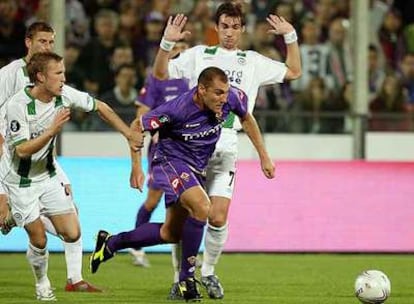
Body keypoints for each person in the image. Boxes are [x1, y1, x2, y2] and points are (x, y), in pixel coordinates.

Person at [152, 2, 301, 299]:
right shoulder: (198, 55)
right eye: (224, 26)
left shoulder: (253, 61)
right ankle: (181, 278)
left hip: (226, 145)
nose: (230, 33)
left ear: (242, 29)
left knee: (217, 217)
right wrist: (167, 42)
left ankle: (207, 271)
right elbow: (160, 73)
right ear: (216, 28)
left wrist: (291, 36)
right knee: (184, 217)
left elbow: (294, 72)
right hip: (189, 147)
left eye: (235, 27)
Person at [89, 66, 275, 302]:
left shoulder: (233, 98)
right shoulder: (176, 110)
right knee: (202, 208)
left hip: (197, 168)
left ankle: (111, 243)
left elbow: (247, 118)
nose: (223, 98)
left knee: (171, 233)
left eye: (225, 92)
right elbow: (138, 126)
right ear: (201, 89)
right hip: (169, 162)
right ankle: (186, 280)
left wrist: (264, 155)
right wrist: (136, 167)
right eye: (218, 93)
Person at [0, 51, 141, 301]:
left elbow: (101, 107)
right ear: (41, 77)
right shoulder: (16, 106)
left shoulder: (64, 95)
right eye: (59, 73)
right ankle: (42, 284)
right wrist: (53, 129)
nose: (64, 78)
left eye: (63, 72)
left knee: (73, 232)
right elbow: (21, 151)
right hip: (21, 182)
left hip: (49, 175)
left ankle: (74, 280)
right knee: (39, 239)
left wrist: (127, 134)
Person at [0, 21, 103, 293]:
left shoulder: (54, 83)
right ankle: (11, 218)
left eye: (50, 42)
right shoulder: (10, 75)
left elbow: (46, 139)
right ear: (28, 42)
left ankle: (74, 279)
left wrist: (60, 173)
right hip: (10, 164)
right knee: (28, 228)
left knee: (71, 221)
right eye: (42, 42)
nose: (46, 46)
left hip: (42, 163)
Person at [129, 42, 190, 268]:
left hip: (188, 149)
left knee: (187, 202)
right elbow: (141, 115)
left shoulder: (192, 79)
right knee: (153, 200)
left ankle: (186, 253)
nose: (181, 50)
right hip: (162, 150)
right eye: (177, 45)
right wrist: (153, 130)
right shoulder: (157, 81)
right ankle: (136, 247)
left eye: (185, 46)